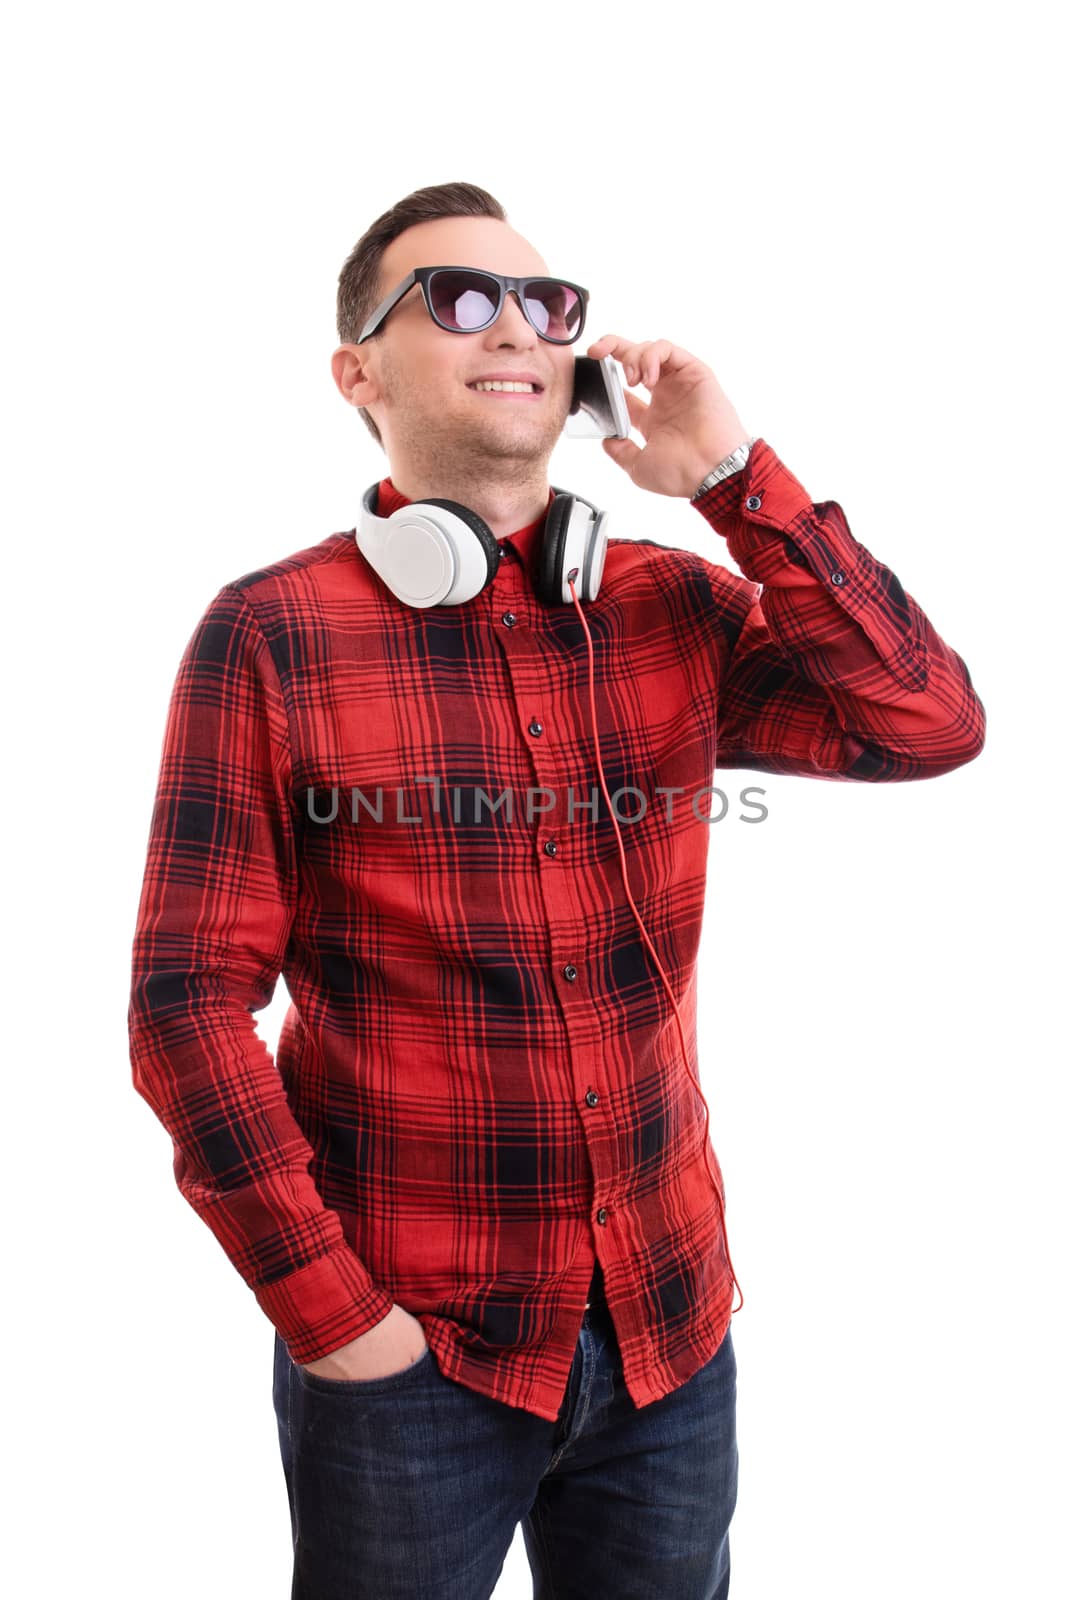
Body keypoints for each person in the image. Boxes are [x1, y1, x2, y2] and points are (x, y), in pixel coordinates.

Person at [128, 180, 986, 1600]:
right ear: (358, 370)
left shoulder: (669, 607)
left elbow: (925, 723)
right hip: (414, 1359)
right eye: (459, 299)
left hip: (670, 1332)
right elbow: (185, 1004)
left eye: (547, 304)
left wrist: (734, 479)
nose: (516, 325)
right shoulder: (270, 633)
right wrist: (334, 1317)